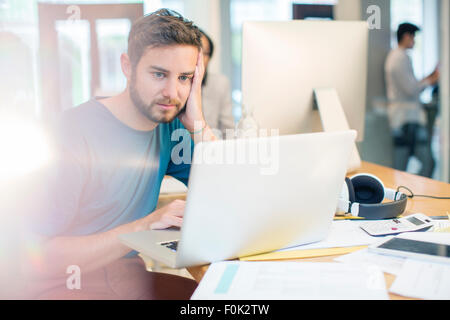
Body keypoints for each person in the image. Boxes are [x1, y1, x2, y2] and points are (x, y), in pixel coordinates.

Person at [22, 9, 216, 300]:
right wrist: (144, 226)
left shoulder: (170, 126)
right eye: (159, 74)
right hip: (62, 286)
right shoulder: (70, 134)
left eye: (184, 78)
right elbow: (40, 258)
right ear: (127, 66)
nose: (172, 92)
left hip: (126, 277)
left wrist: (197, 123)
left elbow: (227, 191)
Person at [385, 23, 439, 178]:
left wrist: (429, 78)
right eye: (413, 37)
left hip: (404, 120)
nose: (414, 40)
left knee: (401, 166)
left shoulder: (397, 57)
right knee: (426, 162)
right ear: (406, 36)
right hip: (407, 120)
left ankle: (409, 190)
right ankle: (414, 190)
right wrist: (430, 81)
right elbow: (411, 89)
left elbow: (410, 85)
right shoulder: (399, 58)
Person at [199, 30, 235, 138]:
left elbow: (228, 130)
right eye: (197, 52)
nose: (201, 59)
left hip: (212, 148)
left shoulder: (220, 83)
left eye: (206, 53)